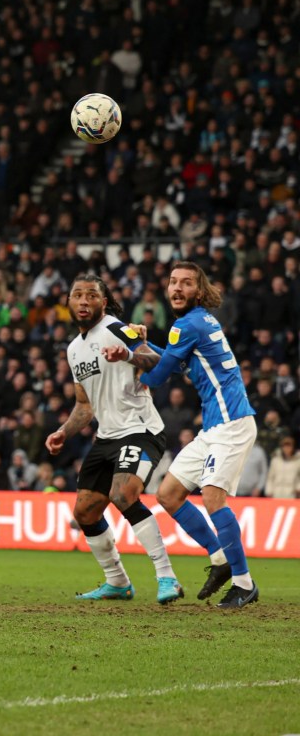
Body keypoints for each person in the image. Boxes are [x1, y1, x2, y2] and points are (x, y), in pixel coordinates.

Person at [104, 261, 259, 609]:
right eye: (173, 282)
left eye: (186, 283)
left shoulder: (186, 325)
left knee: (213, 498)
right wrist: (138, 348)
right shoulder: (196, 323)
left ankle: (244, 583)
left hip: (232, 424)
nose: (177, 288)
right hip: (216, 427)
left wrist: (129, 359)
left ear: (199, 291)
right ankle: (220, 559)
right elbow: (174, 360)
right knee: (170, 494)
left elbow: (159, 377)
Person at [45, 274, 183, 604]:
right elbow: (84, 404)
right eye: (76, 294)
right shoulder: (74, 350)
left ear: (103, 303)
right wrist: (64, 431)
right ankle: (117, 582)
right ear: (68, 302)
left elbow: (159, 362)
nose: (83, 301)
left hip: (140, 428)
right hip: (107, 436)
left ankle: (167, 577)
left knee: (123, 494)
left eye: (91, 295)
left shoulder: (120, 329)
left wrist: (128, 356)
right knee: (85, 512)